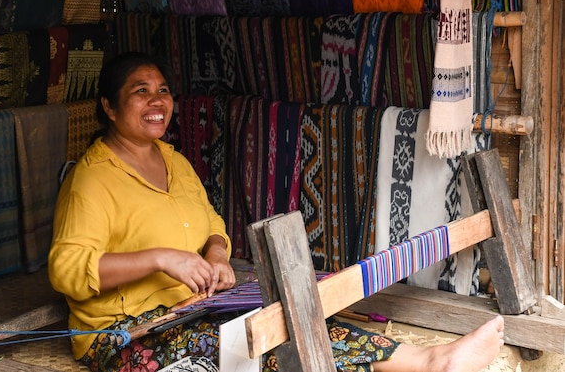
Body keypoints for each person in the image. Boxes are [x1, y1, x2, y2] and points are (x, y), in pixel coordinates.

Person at [48, 51, 505, 372]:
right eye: (139, 91)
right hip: (126, 336)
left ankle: (429, 360)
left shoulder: (173, 160)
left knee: (293, 320)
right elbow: (67, 272)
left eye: (163, 90)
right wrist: (162, 258)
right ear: (108, 106)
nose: (156, 102)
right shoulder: (92, 179)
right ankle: (428, 364)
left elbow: (211, 224)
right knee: (255, 347)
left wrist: (216, 256)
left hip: (189, 310)